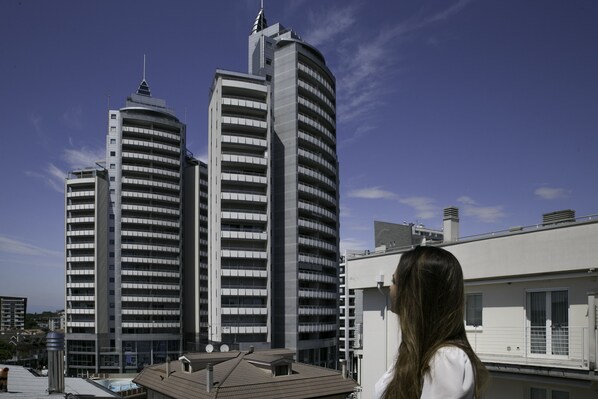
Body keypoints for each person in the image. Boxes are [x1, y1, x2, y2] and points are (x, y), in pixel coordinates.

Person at [374, 246, 488, 399]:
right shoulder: (415, 352)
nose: (390, 287)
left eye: (394, 281)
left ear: (414, 293)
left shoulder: (445, 361)